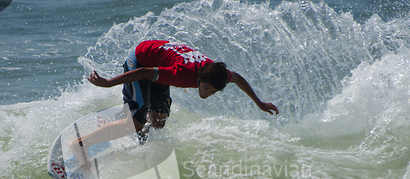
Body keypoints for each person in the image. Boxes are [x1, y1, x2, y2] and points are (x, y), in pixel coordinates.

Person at [88, 40, 278, 133]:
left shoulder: (217, 75)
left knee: (158, 122)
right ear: (200, 80)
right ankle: (80, 144)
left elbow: (237, 78)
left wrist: (259, 103)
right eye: (207, 89)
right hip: (139, 60)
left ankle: (133, 130)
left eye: (213, 92)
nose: (208, 94)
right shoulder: (181, 74)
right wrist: (108, 83)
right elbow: (145, 72)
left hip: (159, 64)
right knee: (138, 123)